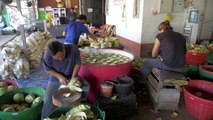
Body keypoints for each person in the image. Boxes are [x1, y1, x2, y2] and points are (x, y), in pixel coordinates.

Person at [41, 41, 81, 118]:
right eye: (57, 58)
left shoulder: (73, 49)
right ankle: (45, 117)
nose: (60, 59)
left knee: (78, 94)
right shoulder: (47, 56)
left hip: (71, 76)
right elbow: (48, 69)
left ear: (63, 47)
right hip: (56, 77)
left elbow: (77, 64)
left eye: (62, 56)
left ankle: (73, 116)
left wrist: (73, 78)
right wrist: (59, 76)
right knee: (47, 99)